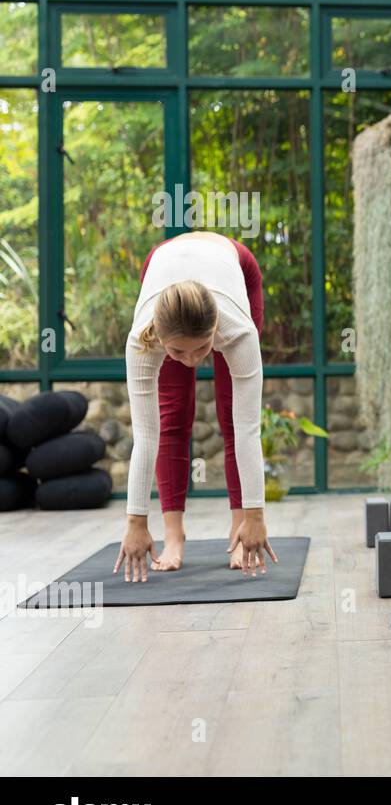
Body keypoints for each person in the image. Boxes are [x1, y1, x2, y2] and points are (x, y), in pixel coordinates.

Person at [115, 231, 273, 583]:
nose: (191, 361)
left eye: (202, 349)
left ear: (217, 329)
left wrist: (256, 517)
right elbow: (145, 435)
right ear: (158, 335)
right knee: (171, 416)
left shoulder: (238, 331)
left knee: (234, 413)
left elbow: (249, 429)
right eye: (178, 352)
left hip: (234, 266)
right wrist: (136, 522)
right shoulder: (143, 338)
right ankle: (174, 536)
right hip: (162, 263)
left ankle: (239, 528)